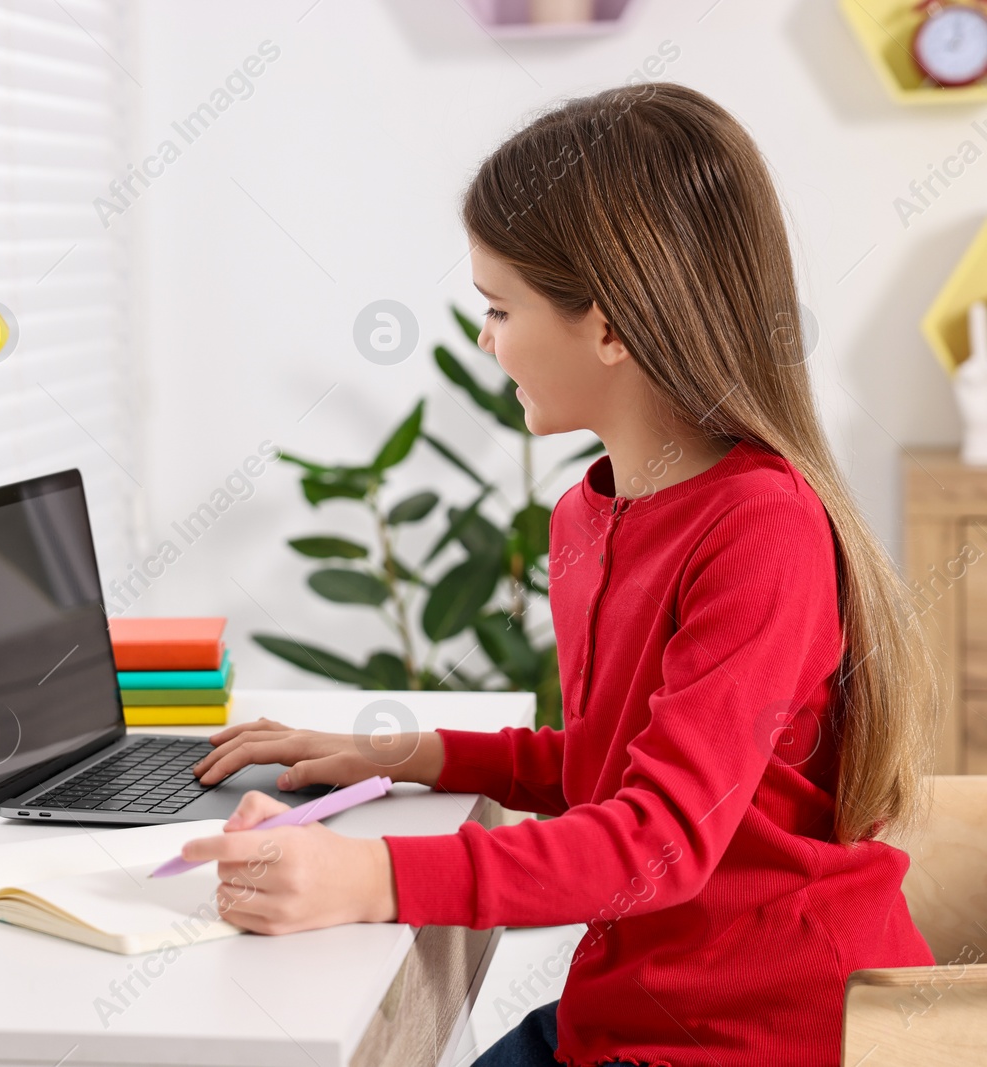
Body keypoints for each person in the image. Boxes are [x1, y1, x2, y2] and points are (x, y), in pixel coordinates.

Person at [180, 82, 939, 1067]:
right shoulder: (588, 514)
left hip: (763, 1033)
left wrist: (370, 876)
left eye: (499, 307)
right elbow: (609, 765)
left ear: (611, 324)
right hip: (632, 1013)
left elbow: (655, 838)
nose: (487, 341)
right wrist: (405, 753)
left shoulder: (762, 528)